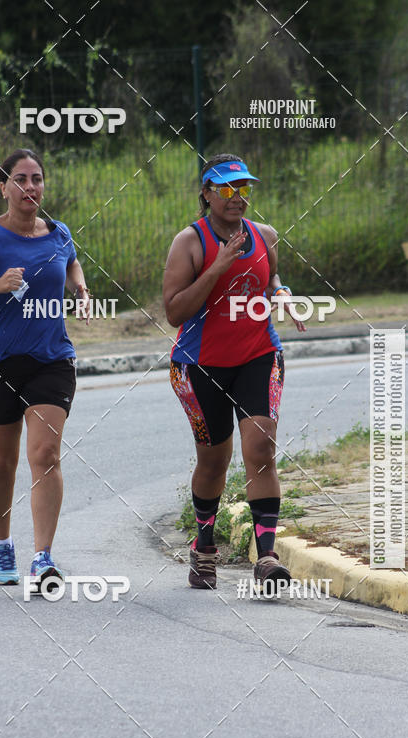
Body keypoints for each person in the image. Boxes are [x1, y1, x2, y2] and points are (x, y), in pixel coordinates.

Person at [0, 148, 89, 587]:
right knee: (0, 464)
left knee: (45, 455)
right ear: (3, 186)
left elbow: (73, 262)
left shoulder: (58, 232)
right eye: (21, 179)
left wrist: (80, 288)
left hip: (52, 360)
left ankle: (43, 557)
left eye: (37, 179)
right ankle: (2, 542)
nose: (30, 187)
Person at [163, 153, 305, 590]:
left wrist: (281, 294)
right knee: (214, 460)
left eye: (242, 188)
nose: (236, 197)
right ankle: (204, 547)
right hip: (199, 365)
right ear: (206, 193)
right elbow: (174, 312)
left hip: (258, 355)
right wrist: (219, 266)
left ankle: (267, 558)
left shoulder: (265, 236)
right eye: (225, 188)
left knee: (260, 449)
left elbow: (270, 280)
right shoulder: (189, 243)